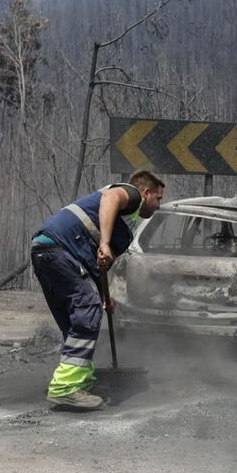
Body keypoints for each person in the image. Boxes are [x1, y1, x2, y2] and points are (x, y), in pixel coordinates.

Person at [30, 171, 165, 409]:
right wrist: (104, 242)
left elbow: (98, 265)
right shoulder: (131, 195)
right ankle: (65, 388)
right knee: (87, 310)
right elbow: (111, 198)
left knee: (77, 321)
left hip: (46, 250)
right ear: (146, 193)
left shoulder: (121, 224)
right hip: (60, 249)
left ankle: (80, 381)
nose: (158, 206)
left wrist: (105, 297)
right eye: (158, 198)